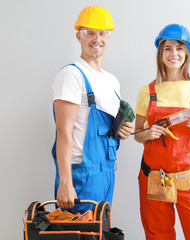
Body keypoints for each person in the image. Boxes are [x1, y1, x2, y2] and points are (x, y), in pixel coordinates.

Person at [134, 24, 190, 240]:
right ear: (160, 53)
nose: (174, 54)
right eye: (167, 48)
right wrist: (148, 133)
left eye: (179, 48)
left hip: (189, 180)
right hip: (154, 178)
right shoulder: (148, 91)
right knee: (157, 235)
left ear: (187, 53)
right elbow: (137, 135)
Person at [51, 6, 134, 214]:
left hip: (107, 172)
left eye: (102, 33)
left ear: (109, 36)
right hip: (81, 175)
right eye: (90, 33)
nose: (96, 39)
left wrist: (123, 131)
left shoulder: (111, 81)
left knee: (100, 233)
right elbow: (64, 131)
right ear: (79, 36)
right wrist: (65, 182)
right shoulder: (72, 75)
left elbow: (108, 130)